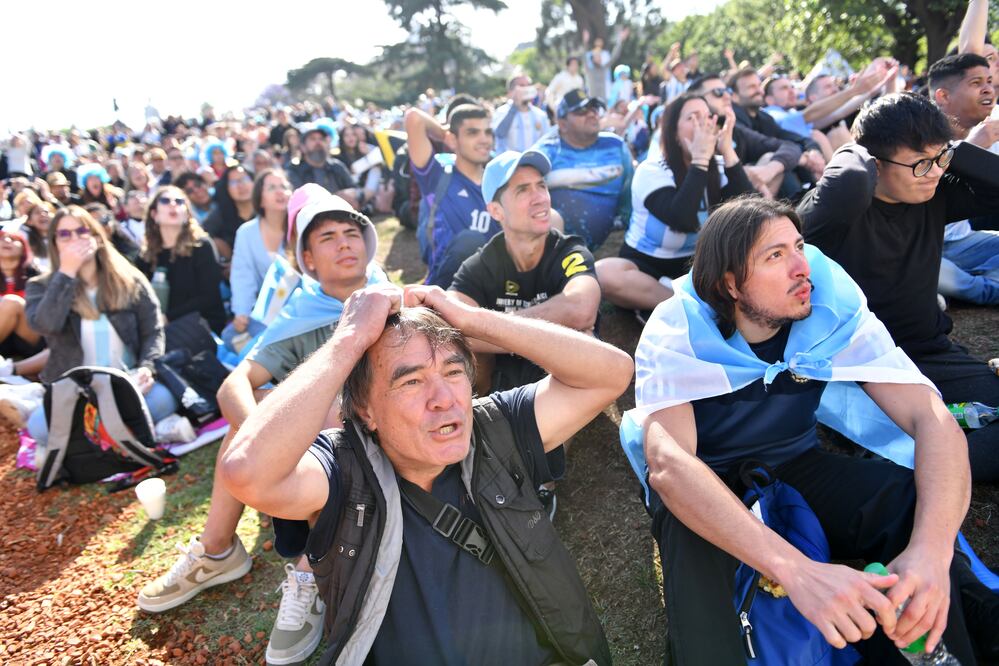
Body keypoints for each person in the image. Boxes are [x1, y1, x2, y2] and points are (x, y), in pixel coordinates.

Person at [632, 196, 999, 664]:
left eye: (798, 246)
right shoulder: (678, 325)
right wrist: (797, 571)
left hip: (796, 462)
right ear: (731, 284)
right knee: (694, 566)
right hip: (709, 480)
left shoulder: (828, 299)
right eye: (775, 255)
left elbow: (930, 416)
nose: (801, 266)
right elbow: (669, 466)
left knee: (906, 502)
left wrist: (930, 549)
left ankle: (962, 626)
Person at [218, 271, 633, 664]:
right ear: (366, 409)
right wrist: (348, 341)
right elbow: (247, 471)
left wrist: (473, 320)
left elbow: (611, 374)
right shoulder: (344, 470)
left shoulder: (491, 430)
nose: (444, 398)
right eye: (411, 381)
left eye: (453, 372)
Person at [138, 187, 385, 666]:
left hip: (374, 445)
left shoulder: (392, 300)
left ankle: (311, 569)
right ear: (308, 260)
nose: (344, 244)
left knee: (311, 415)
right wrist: (267, 434)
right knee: (262, 409)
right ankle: (217, 551)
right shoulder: (302, 310)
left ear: (369, 242)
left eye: (352, 233)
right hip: (315, 455)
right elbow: (234, 384)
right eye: (328, 238)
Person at [798, 92, 999, 482]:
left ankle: (909, 464)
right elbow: (848, 184)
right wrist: (853, 148)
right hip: (856, 367)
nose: (935, 173)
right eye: (920, 164)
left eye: (941, 160)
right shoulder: (834, 210)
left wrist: (947, 150)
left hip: (927, 351)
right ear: (873, 163)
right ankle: (912, 465)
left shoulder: (931, 191)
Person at [24, 206, 177, 447]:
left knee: (164, 400)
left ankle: (101, 436)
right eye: (65, 234)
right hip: (79, 394)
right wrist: (67, 272)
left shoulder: (128, 278)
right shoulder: (40, 286)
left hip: (129, 384)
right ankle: (124, 432)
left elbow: (153, 330)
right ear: (54, 243)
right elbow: (46, 325)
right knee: (39, 428)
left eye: (82, 231)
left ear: (96, 237)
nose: (75, 239)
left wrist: (147, 367)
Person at [449, 150, 600, 393]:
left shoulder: (570, 251)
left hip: (559, 380)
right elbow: (452, 329)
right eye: (523, 190)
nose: (540, 197)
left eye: (541, 186)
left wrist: (490, 329)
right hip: (500, 384)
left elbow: (581, 309)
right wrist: (550, 325)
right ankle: (482, 413)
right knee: (463, 353)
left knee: (585, 342)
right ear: (496, 211)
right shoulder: (481, 264)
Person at [596, 93, 755, 320]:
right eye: (692, 118)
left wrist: (727, 150)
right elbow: (682, 219)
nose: (703, 125)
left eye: (707, 117)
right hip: (649, 266)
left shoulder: (718, 166)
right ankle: (690, 307)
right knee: (605, 273)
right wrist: (700, 159)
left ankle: (673, 306)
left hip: (700, 264)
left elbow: (753, 215)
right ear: (674, 133)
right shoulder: (652, 170)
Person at [927, 52, 999, 305]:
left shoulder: (990, 130)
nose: (988, 89)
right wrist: (969, 150)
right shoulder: (916, 131)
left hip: (964, 242)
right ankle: (977, 287)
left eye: (990, 81)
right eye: (976, 83)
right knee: (919, 268)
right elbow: (919, 193)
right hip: (920, 246)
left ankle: (964, 284)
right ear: (943, 96)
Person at [405, 103, 501, 288]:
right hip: (448, 290)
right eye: (473, 133)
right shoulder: (437, 176)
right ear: (453, 140)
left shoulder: (500, 180)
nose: (484, 139)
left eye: (487, 132)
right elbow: (413, 118)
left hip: (498, 285)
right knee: (470, 242)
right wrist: (443, 134)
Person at [532, 89, 634, 250]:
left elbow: (629, 202)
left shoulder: (616, 146)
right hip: (558, 253)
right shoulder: (543, 154)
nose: (592, 114)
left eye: (594, 108)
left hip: (610, 247)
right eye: (581, 111)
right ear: (562, 123)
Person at [687, 74, 802, 199]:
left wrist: (770, 170)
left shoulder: (734, 130)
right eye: (718, 92)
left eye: (728, 91)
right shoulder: (686, 135)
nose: (727, 96)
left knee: (773, 160)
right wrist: (741, 170)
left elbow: (789, 146)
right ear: (696, 100)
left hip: (742, 205)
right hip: (709, 210)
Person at [136, 186, 226, 333]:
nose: (173, 204)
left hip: (201, 326)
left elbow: (208, 297)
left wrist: (168, 318)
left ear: (186, 215)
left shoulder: (202, 246)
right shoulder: (145, 255)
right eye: (165, 200)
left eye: (179, 201)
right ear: (154, 214)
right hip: (159, 327)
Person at [221, 169, 290, 350]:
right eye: (272, 187)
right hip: (268, 313)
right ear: (260, 198)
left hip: (303, 308)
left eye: (283, 186)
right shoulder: (246, 232)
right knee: (230, 339)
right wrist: (241, 312)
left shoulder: (301, 226)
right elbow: (242, 275)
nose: (280, 191)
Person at [729, 67, 826, 196]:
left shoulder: (765, 118)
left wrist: (813, 152)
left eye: (759, 86)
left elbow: (796, 139)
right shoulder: (732, 120)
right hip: (744, 190)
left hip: (771, 179)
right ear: (734, 96)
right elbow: (770, 145)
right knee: (777, 161)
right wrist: (799, 158)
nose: (759, 91)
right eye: (751, 87)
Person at [0, 228, 45, 378]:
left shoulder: (38, 276)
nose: (7, 241)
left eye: (13, 239)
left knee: (11, 303)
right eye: (3, 238)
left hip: (30, 335)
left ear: (24, 248)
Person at [286, 122, 360, 208]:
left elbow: (356, 190)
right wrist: (336, 198)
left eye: (321, 139)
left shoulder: (337, 166)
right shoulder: (294, 171)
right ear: (302, 146)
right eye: (313, 139)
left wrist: (351, 194)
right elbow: (298, 202)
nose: (318, 142)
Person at [202, 164, 256, 263]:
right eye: (233, 182)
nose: (241, 185)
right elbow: (201, 234)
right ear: (226, 188)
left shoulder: (266, 209)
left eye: (244, 179)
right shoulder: (220, 213)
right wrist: (218, 244)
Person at [492, 73, 551, 153]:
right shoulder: (501, 112)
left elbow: (546, 142)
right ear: (511, 91)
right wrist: (514, 107)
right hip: (509, 164)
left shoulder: (540, 115)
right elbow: (498, 135)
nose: (527, 88)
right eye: (522, 86)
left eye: (528, 85)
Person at [584, 29, 628, 101]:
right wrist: (585, 42)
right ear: (592, 59)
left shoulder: (604, 68)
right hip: (592, 100)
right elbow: (584, 57)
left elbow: (614, 57)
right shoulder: (589, 70)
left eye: (600, 57)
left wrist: (619, 41)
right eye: (597, 57)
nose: (600, 58)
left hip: (603, 99)